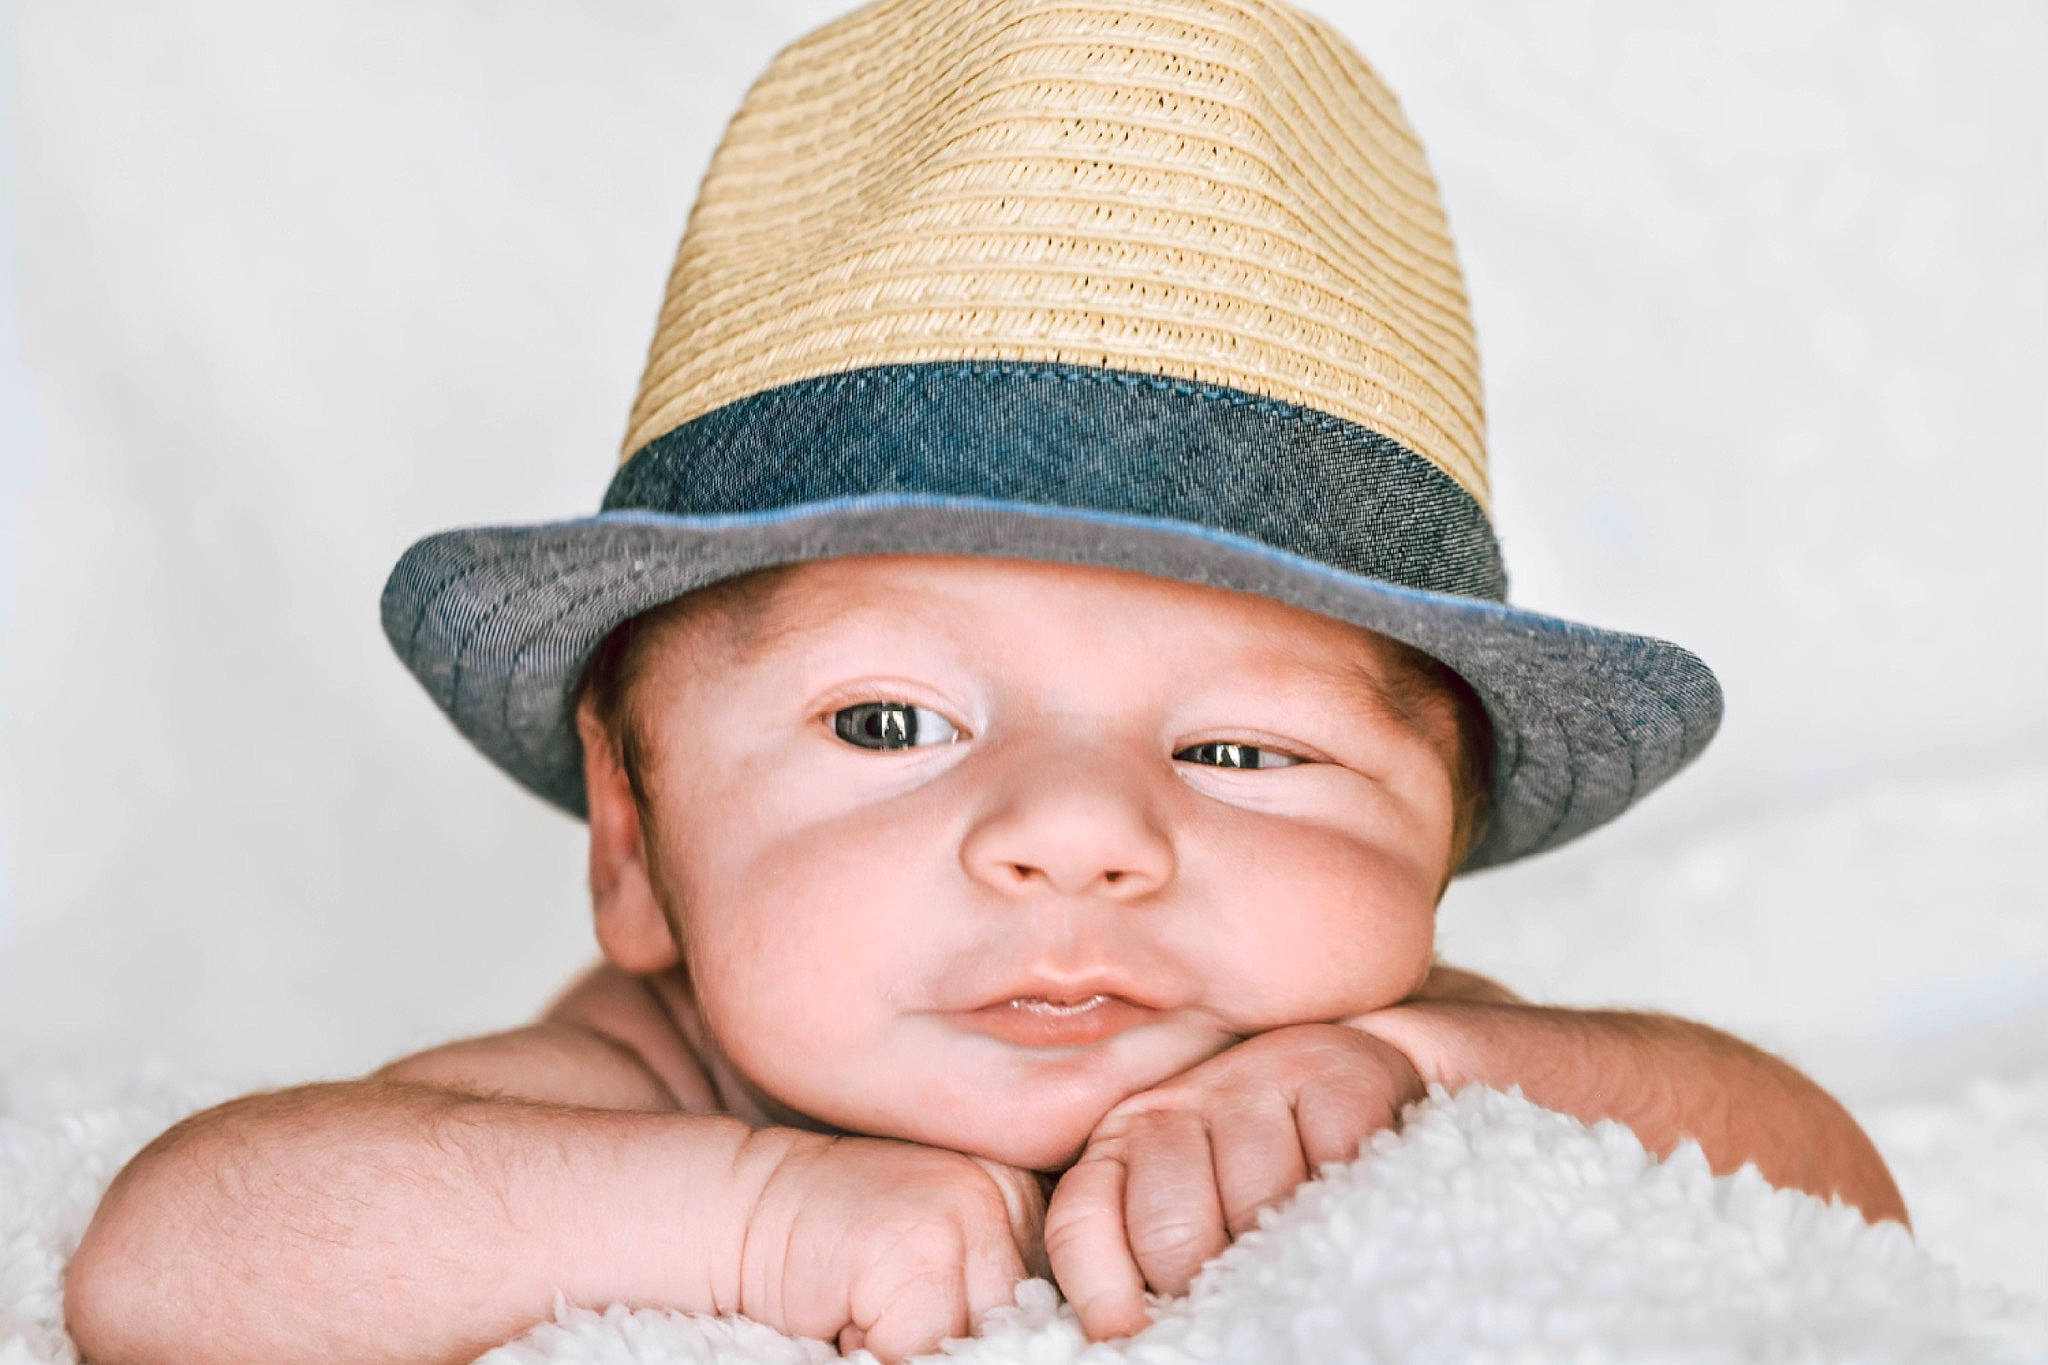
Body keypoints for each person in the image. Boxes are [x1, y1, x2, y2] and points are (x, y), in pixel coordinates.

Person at [61, 1, 1908, 1361]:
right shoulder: (636, 1086)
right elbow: (166, 1266)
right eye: (887, 723)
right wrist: (763, 1215)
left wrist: (1436, 1060)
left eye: (1245, 746)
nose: (1079, 836)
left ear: (1441, 839)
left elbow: (1836, 1202)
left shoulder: (1367, 1052)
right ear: (632, 845)